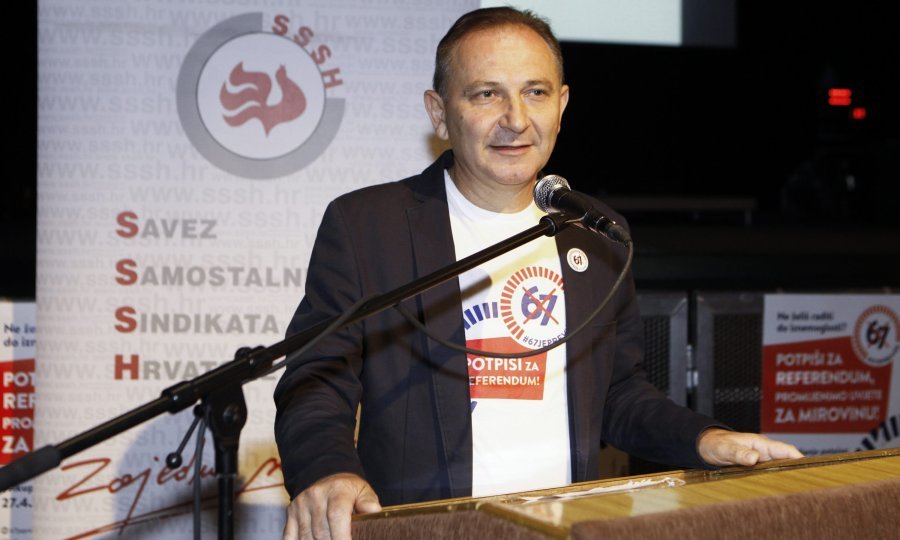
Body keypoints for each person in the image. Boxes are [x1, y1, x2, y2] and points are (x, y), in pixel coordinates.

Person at [274, 7, 802, 540]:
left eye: (535, 92)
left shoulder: (596, 233)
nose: (516, 119)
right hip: (426, 530)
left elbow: (619, 393)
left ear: (561, 106)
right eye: (486, 94)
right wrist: (328, 470)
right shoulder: (369, 227)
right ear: (439, 113)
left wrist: (704, 439)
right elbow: (316, 380)